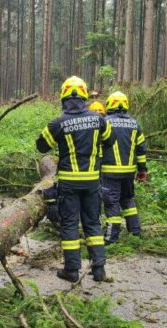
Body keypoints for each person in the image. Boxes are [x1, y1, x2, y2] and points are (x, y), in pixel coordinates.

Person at [36, 76, 109, 283]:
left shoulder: (59, 122)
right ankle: (99, 269)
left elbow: (41, 146)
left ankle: (72, 270)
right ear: (84, 95)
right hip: (93, 181)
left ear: (64, 97)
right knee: (93, 224)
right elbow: (109, 139)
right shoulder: (98, 119)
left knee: (70, 225)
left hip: (69, 182)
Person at [99, 92, 148, 244]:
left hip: (109, 171)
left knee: (112, 204)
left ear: (109, 104)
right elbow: (141, 150)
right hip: (129, 172)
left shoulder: (105, 122)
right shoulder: (135, 124)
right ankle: (135, 231)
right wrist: (142, 170)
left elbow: (97, 147)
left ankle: (111, 237)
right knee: (127, 201)